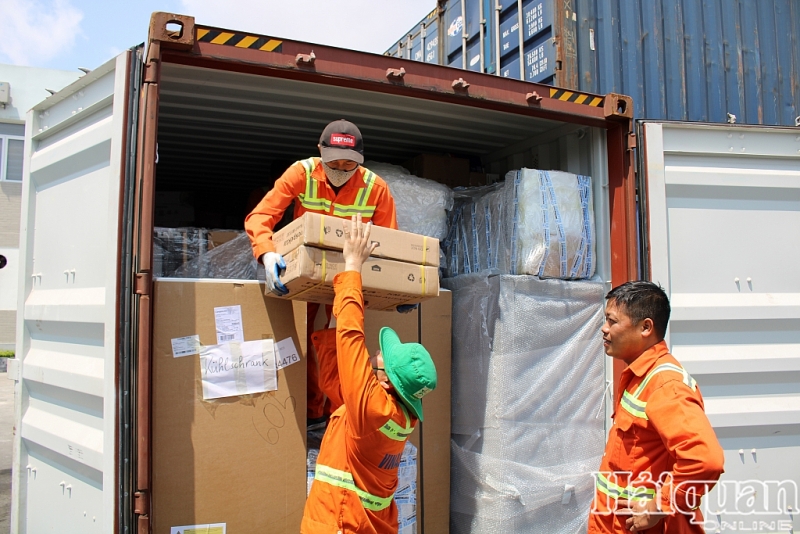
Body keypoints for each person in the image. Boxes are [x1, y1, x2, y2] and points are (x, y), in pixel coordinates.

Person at [245, 119, 402, 427]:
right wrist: (267, 253)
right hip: (307, 270)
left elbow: (392, 244)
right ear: (320, 151)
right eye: (334, 162)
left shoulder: (375, 188)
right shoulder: (301, 173)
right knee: (300, 338)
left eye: (349, 164)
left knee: (340, 339)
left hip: (348, 273)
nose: (341, 170)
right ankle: (311, 412)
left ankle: (338, 414)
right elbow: (262, 215)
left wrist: (396, 294)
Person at [301, 214, 437, 534]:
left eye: (382, 358)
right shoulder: (398, 416)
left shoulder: (374, 410)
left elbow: (351, 336)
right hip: (362, 520)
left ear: (387, 381)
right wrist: (331, 311)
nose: (376, 355)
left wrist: (352, 266)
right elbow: (337, 385)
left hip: (339, 521)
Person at [588, 281, 724, 534]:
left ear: (646, 327)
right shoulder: (641, 376)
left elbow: (705, 460)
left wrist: (659, 506)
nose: (604, 329)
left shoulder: (665, 385)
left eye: (613, 321)